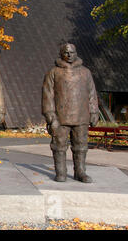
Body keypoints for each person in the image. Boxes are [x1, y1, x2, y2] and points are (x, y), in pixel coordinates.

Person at [42, 43, 99, 183]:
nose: (69, 55)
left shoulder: (85, 72)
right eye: (66, 52)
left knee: (81, 146)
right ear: (61, 54)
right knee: (58, 145)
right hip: (60, 117)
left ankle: (80, 172)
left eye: (71, 52)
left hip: (81, 116)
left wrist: (94, 112)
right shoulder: (53, 72)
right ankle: (61, 172)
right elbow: (47, 95)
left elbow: (91, 93)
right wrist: (50, 116)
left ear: (76, 53)